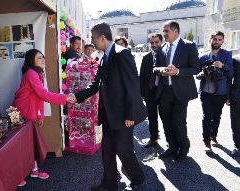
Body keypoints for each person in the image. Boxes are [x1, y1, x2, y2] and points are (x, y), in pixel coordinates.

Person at [68, 22, 147, 191]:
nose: (90, 42)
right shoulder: (104, 56)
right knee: (107, 151)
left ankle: (138, 177)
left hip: (123, 115)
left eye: (92, 38)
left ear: (102, 38)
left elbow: (133, 86)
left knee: (123, 150)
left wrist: (130, 115)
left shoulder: (122, 54)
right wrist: (76, 96)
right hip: (109, 115)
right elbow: (96, 85)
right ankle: (110, 184)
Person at [13, 49, 72, 186]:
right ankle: (18, 175)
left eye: (43, 57)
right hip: (23, 112)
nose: (43, 60)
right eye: (39, 58)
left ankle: (34, 170)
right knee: (23, 146)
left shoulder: (37, 73)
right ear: (31, 60)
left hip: (30, 112)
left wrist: (40, 116)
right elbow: (43, 95)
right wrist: (65, 98)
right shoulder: (31, 74)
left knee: (31, 143)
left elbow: (39, 98)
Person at [154, 20, 200, 161]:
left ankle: (183, 148)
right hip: (165, 91)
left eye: (166, 31)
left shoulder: (189, 46)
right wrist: (160, 70)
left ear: (176, 31)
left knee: (178, 121)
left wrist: (178, 71)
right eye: (164, 31)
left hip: (181, 91)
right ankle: (172, 147)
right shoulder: (163, 47)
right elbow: (155, 67)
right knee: (166, 121)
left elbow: (196, 68)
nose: (164, 34)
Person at [196, 31, 233, 152]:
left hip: (220, 92)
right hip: (205, 92)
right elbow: (195, 72)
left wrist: (222, 66)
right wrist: (201, 74)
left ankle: (213, 136)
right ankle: (206, 141)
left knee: (217, 116)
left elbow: (231, 73)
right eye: (215, 39)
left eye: (219, 39)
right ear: (210, 40)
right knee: (207, 116)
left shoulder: (226, 55)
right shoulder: (203, 57)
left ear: (222, 41)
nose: (217, 41)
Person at [139, 33, 163, 147]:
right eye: (152, 43)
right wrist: (142, 93)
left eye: (156, 42)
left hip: (164, 92)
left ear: (161, 42)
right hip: (150, 91)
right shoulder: (146, 57)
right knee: (152, 117)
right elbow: (142, 76)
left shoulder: (166, 55)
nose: (154, 45)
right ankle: (153, 138)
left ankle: (171, 141)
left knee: (166, 117)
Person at [227, 54, 240, 157]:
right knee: (236, 123)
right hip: (236, 97)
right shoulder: (235, 59)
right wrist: (228, 96)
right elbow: (229, 79)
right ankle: (238, 146)